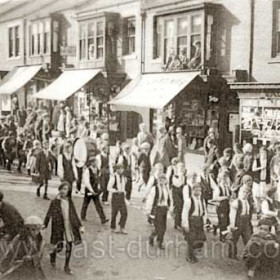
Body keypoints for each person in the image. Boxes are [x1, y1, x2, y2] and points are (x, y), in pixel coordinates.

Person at [44, 182, 84, 275]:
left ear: (68, 191)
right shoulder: (55, 201)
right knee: (57, 246)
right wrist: (45, 224)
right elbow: (49, 213)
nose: (63, 191)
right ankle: (52, 256)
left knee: (69, 245)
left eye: (65, 189)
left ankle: (66, 266)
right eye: (62, 189)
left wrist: (80, 226)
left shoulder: (69, 201)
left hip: (68, 226)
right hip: (58, 226)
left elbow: (74, 214)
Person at [0, 216, 45, 280]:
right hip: (20, 269)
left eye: (38, 229)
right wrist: (2, 268)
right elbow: (10, 253)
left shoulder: (40, 239)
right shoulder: (19, 239)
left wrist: (32, 258)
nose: (35, 232)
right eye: (33, 229)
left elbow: (40, 254)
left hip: (33, 269)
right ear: (27, 229)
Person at [182, 183, 208, 263]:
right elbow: (185, 213)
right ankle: (190, 256)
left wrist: (205, 222)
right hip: (192, 221)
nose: (198, 192)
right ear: (192, 191)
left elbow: (204, 211)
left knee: (201, 239)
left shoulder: (201, 200)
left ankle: (193, 252)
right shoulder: (189, 201)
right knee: (191, 239)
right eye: (196, 190)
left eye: (199, 190)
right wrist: (185, 225)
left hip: (199, 220)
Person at [146, 174, 172, 249]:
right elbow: (150, 200)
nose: (162, 181)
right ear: (157, 180)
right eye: (160, 179)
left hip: (164, 209)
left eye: (163, 180)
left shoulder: (166, 189)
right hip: (157, 209)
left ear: (165, 181)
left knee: (163, 227)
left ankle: (158, 240)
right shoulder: (154, 188)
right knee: (158, 227)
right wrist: (148, 210)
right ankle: (156, 239)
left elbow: (169, 199)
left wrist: (170, 208)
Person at [228, 185, 254, 259]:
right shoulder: (236, 202)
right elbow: (232, 214)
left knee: (248, 238)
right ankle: (232, 254)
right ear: (239, 192)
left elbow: (249, 212)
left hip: (246, 222)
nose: (245, 194)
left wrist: (249, 222)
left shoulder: (248, 202)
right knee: (234, 239)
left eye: (246, 193)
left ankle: (247, 255)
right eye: (243, 192)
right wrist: (232, 225)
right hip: (238, 222)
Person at [81, 158, 109, 224]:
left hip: (95, 190)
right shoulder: (87, 170)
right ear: (92, 163)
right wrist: (91, 190)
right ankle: (82, 216)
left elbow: (98, 180)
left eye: (97, 162)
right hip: (89, 190)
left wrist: (98, 189)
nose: (96, 163)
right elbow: (86, 182)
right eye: (95, 162)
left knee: (98, 204)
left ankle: (103, 219)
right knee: (86, 203)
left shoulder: (98, 170)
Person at [107, 164, 129, 234]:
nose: (122, 170)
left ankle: (122, 227)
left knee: (124, 213)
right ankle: (113, 227)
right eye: (120, 169)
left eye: (122, 169)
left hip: (122, 196)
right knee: (114, 213)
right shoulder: (113, 177)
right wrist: (115, 191)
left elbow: (123, 187)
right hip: (116, 196)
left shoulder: (123, 177)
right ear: (117, 169)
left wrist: (124, 195)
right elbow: (108, 187)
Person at [212, 170, 231, 242]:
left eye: (226, 178)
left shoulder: (227, 187)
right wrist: (225, 197)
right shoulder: (218, 188)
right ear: (219, 180)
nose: (225, 180)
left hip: (227, 206)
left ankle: (216, 226)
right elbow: (215, 198)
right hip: (221, 206)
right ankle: (222, 236)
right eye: (223, 178)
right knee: (223, 222)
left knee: (226, 221)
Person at [252, 146, 269, 215]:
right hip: (257, 181)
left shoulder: (268, 161)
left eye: (265, 153)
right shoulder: (257, 160)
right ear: (260, 153)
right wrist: (261, 167)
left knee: (263, 196)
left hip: (264, 181)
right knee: (256, 196)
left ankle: (262, 211)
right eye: (262, 153)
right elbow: (253, 169)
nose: (264, 154)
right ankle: (258, 210)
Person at [171, 162, 187, 230]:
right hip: (176, 193)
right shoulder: (175, 176)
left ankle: (180, 222)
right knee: (178, 207)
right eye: (180, 167)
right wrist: (181, 175)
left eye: (183, 167)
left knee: (182, 207)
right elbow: (178, 184)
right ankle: (177, 224)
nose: (182, 169)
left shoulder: (184, 176)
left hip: (182, 193)